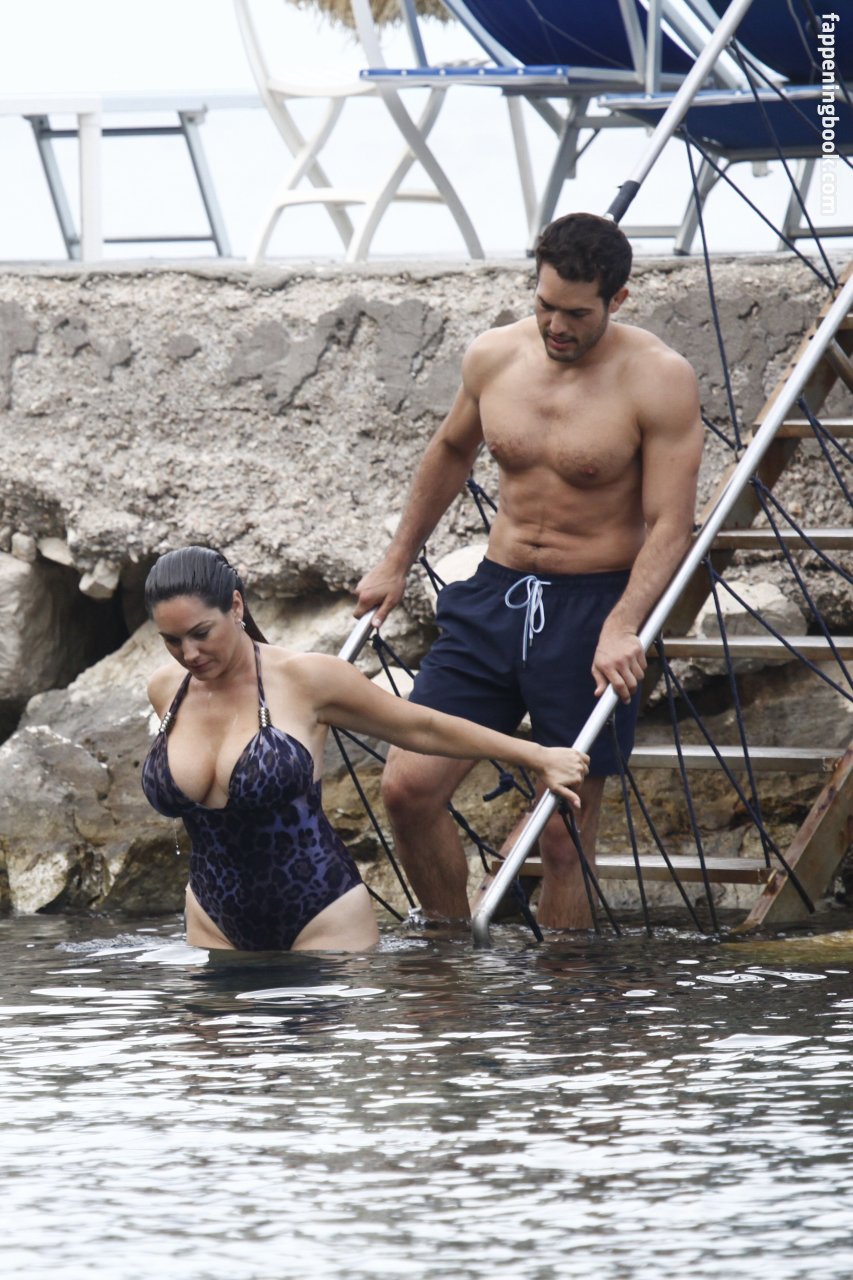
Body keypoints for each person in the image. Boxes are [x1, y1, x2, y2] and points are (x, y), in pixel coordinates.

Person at [354, 212, 704, 930]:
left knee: (562, 834)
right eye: (545, 306)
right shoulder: (494, 355)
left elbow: (672, 524)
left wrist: (623, 624)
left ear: (617, 299)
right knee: (407, 788)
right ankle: (450, 955)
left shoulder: (659, 378)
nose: (556, 326)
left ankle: (565, 992)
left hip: (592, 609)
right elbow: (451, 451)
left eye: (577, 314)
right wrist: (395, 561)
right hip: (494, 597)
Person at [141, 546, 589, 953]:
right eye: (172, 640)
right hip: (212, 922)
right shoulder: (166, 689)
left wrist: (536, 756)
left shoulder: (307, 680)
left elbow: (422, 727)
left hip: (321, 917)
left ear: (236, 606)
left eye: (201, 633)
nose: (190, 653)